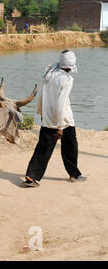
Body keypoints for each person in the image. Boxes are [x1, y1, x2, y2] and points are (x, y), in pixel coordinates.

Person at [25, 50, 87, 187]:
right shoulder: (67, 79)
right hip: (64, 120)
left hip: (48, 118)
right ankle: (73, 175)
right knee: (70, 147)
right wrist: (60, 127)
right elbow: (61, 104)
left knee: (43, 147)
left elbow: (41, 95)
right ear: (70, 66)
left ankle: (32, 175)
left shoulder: (50, 74)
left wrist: (41, 112)